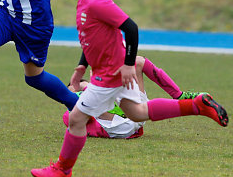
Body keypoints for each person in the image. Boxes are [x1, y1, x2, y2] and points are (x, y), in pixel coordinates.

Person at [31, 0, 228, 177]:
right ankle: (195, 106)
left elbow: (131, 28)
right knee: (137, 112)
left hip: (109, 75)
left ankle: (62, 168)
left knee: (75, 119)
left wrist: (127, 64)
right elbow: (92, 39)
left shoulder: (97, 2)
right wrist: (82, 66)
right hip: (110, 72)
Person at [63, 56, 206, 139]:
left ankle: (179, 95)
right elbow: (80, 121)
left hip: (134, 114)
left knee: (137, 62)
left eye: (79, 86)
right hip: (117, 125)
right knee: (94, 92)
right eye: (74, 90)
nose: (77, 89)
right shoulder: (70, 115)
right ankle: (196, 107)